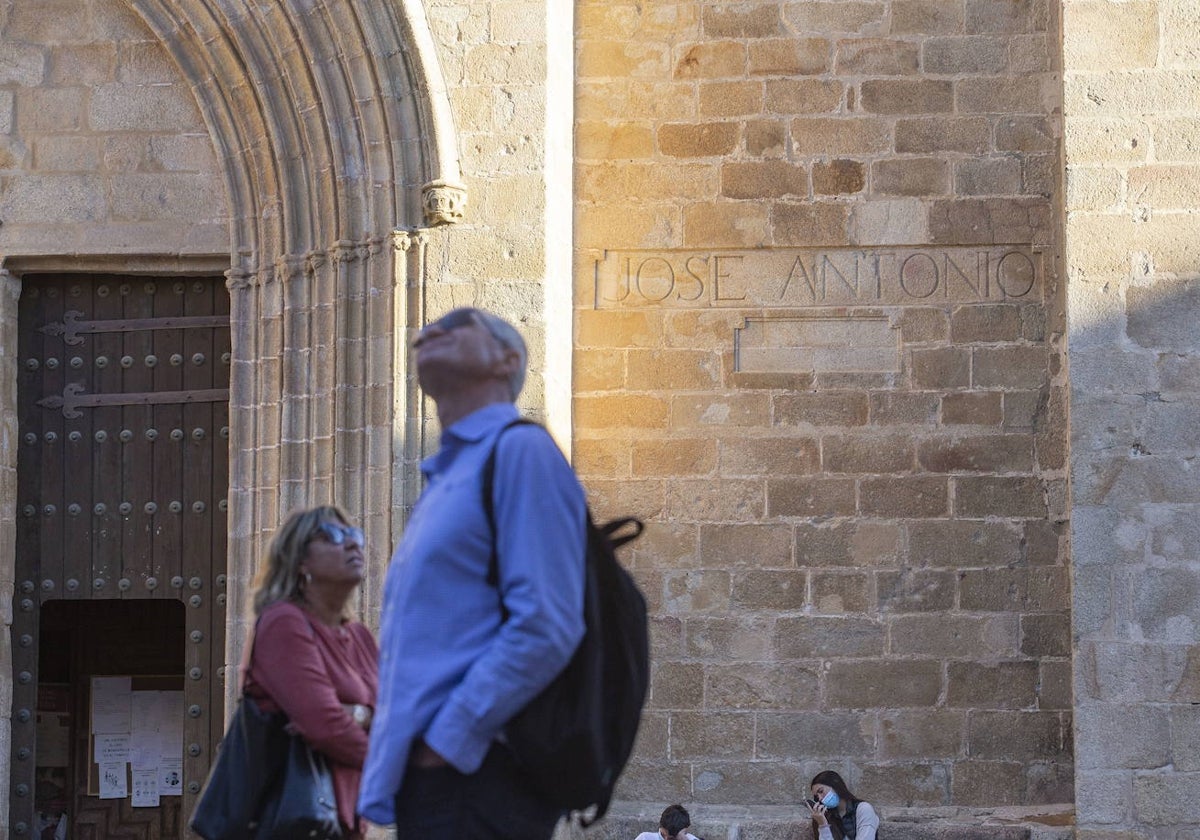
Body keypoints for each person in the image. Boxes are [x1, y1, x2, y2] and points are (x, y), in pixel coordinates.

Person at [358, 307, 587, 839]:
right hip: (439, 778)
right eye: (430, 325)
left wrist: (447, 740)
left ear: (507, 360)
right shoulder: (449, 477)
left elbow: (548, 624)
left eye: (459, 322)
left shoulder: (521, 450)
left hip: (475, 773)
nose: (430, 329)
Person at [242, 506, 379, 840]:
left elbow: (398, 716)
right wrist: (396, 763)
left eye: (354, 535)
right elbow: (325, 726)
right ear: (300, 561)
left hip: (348, 821)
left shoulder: (359, 637)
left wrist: (358, 713)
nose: (351, 545)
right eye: (331, 536)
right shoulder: (283, 623)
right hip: (294, 821)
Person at [806, 770, 880, 840]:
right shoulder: (827, 816)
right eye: (817, 796)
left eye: (821, 791)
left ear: (835, 785)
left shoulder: (863, 809)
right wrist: (823, 825)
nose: (820, 798)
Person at [634, 804, 702, 840]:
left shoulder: (692, 839)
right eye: (662, 835)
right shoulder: (645, 838)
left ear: (685, 831)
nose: (665, 839)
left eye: (672, 839)